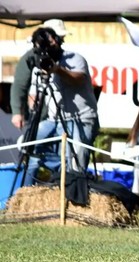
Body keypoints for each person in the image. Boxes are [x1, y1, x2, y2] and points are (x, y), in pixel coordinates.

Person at [17, 27, 99, 186]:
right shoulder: (39, 66)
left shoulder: (74, 58)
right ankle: (61, 168)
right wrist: (33, 102)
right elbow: (32, 94)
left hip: (81, 118)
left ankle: (73, 185)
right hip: (54, 120)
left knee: (78, 157)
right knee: (24, 143)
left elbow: (78, 80)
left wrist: (57, 70)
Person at [11, 19, 70, 130]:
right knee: (27, 143)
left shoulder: (67, 57)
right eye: (58, 38)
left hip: (64, 115)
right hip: (40, 115)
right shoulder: (32, 57)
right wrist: (17, 112)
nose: (60, 42)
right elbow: (20, 84)